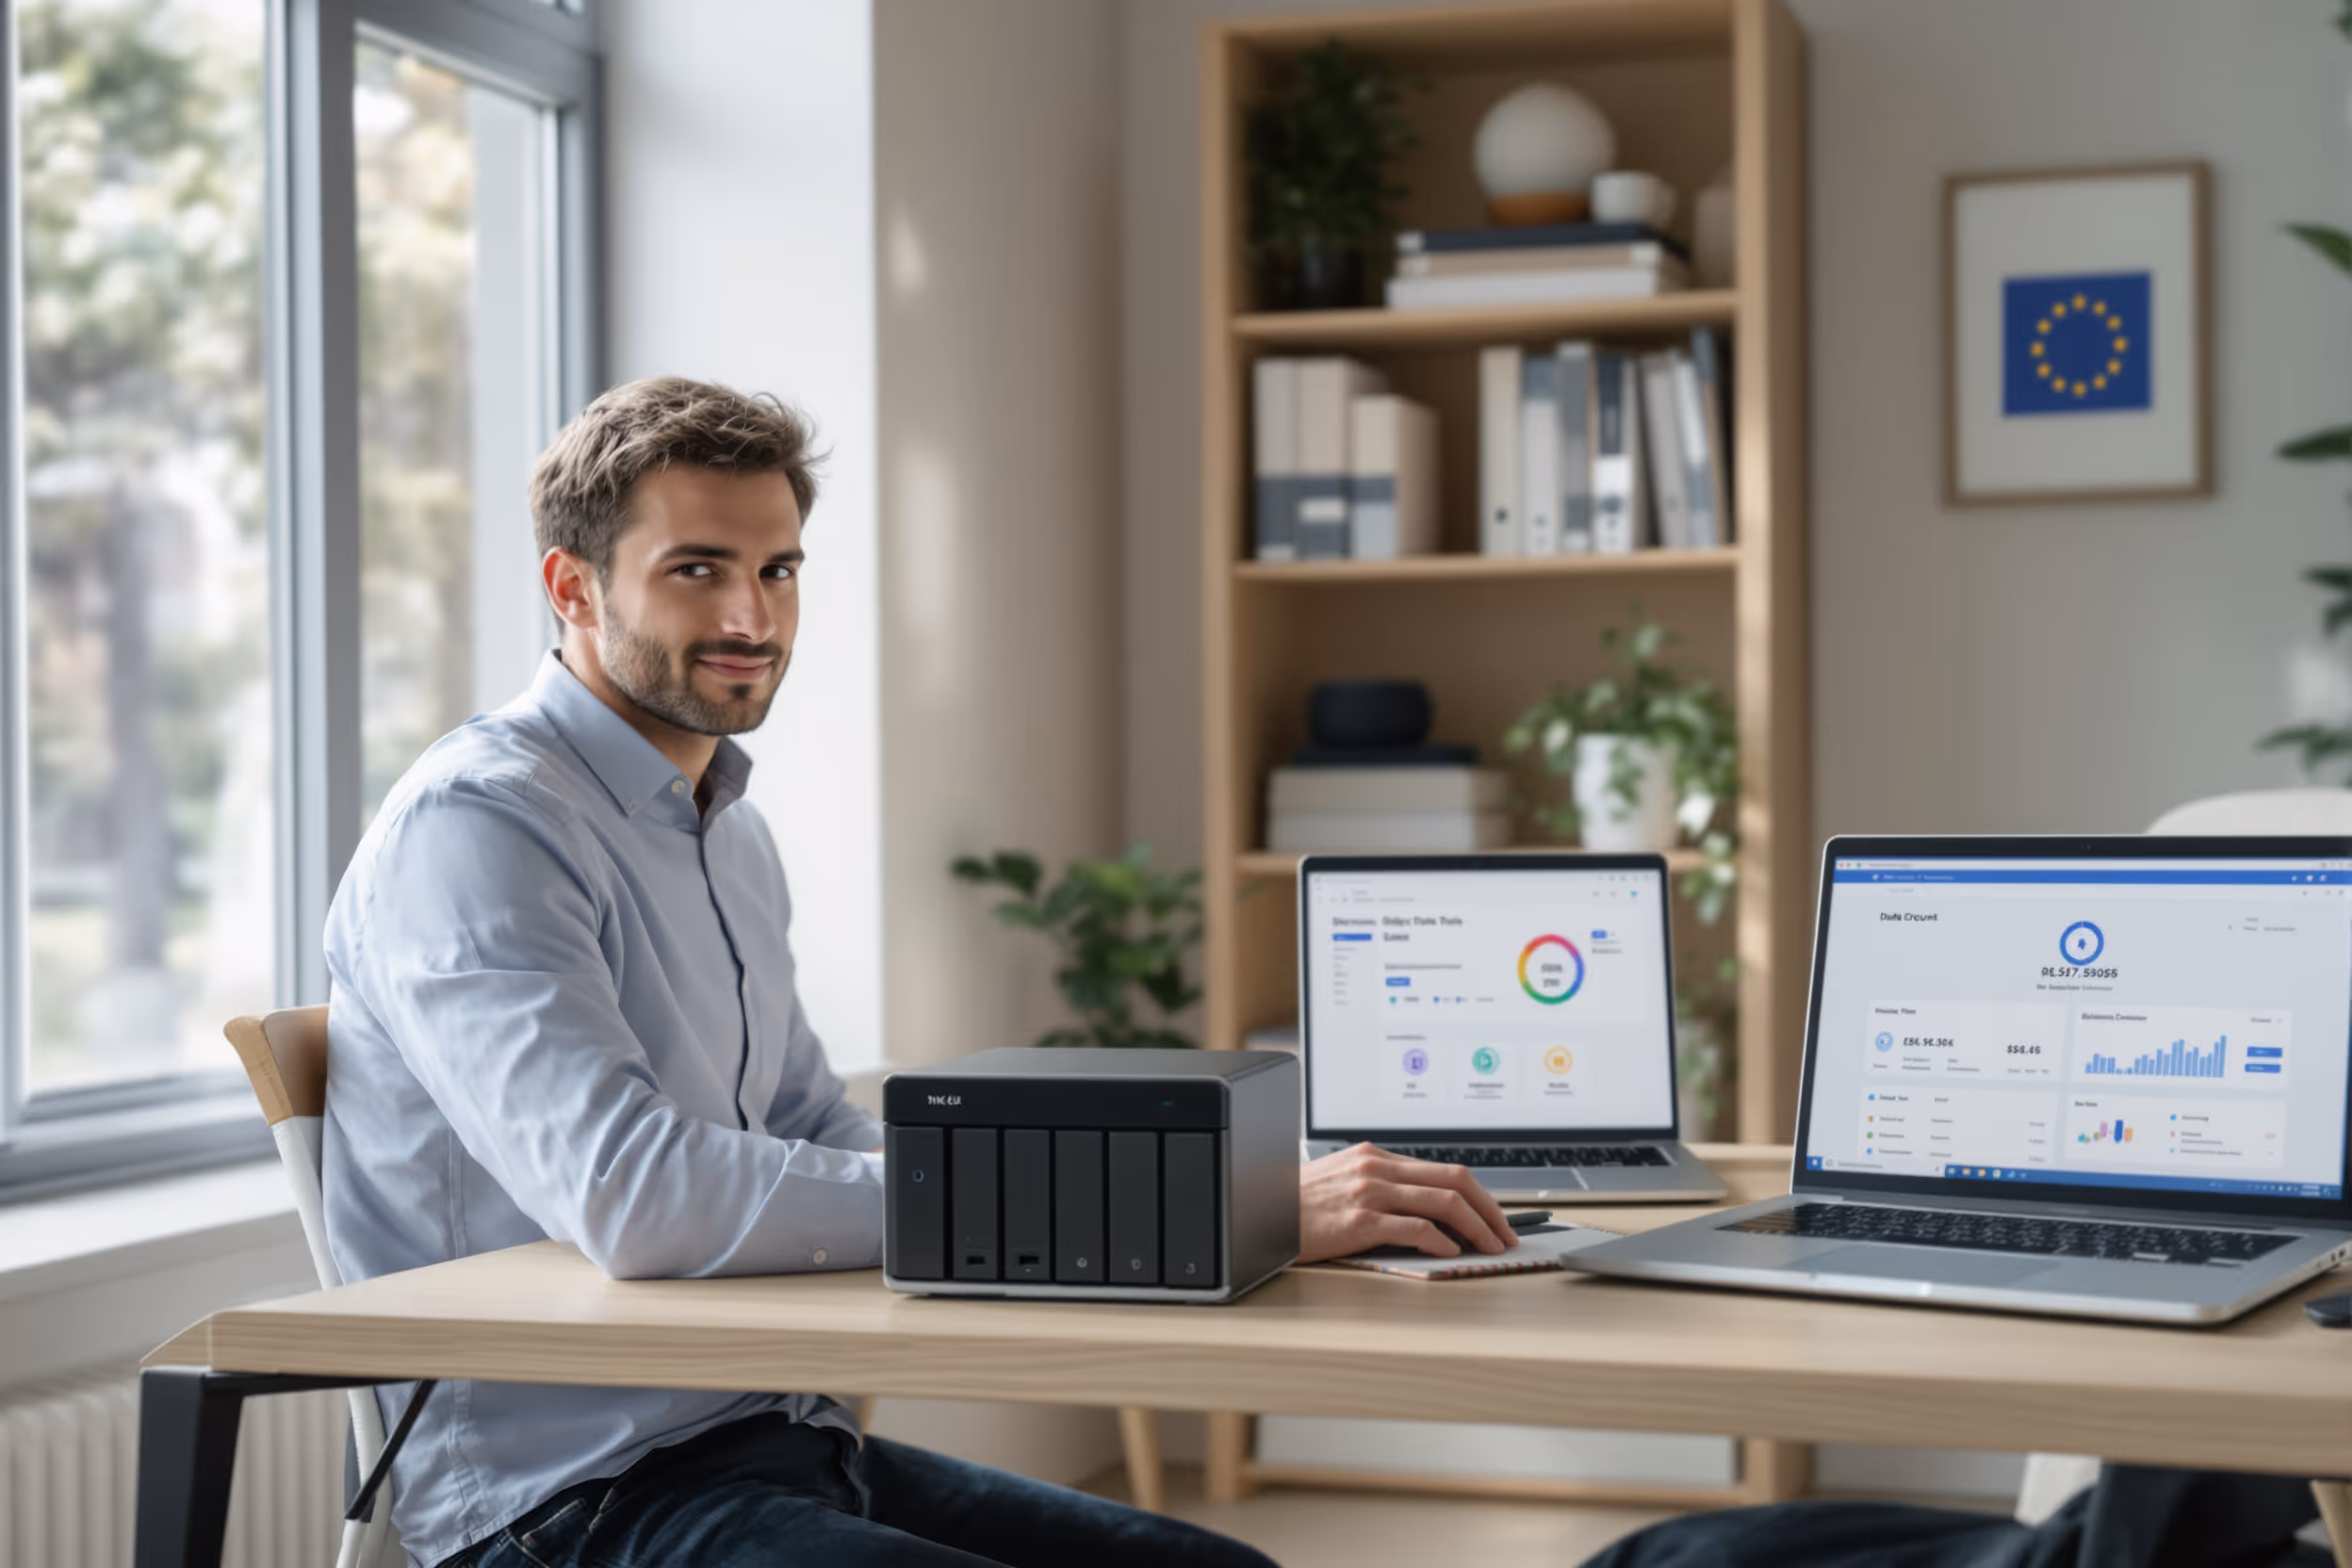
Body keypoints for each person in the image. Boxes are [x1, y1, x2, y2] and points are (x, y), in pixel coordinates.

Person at [322, 375, 1518, 1568]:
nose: (753, 614)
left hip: (772, 1438)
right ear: (571, 586)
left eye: (779, 569)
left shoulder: (722, 822)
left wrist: (1160, 1191)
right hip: (570, 1503)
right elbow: (634, 1195)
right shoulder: (479, 823)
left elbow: (807, 1123)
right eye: (697, 569)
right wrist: (1177, 1212)